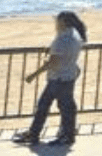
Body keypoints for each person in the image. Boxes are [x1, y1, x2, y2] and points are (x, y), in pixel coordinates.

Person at [12, 10, 88, 146]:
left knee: (45, 107)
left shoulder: (61, 40)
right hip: (68, 76)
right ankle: (46, 134)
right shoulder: (75, 35)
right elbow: (64, 56)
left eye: (56, 21)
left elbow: (53, 63)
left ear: (62, 22)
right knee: (65, 108)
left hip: (58, 79)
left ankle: (44, 135)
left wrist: (33, 75)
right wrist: (51, 50)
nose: (55, 23)